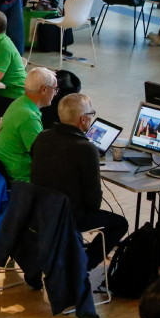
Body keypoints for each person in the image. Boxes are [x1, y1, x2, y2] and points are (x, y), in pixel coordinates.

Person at [30, 94, 129, 272]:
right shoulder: (86, 148)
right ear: (83, 120)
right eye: (91, 114)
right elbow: (93, 202)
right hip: (67, 217)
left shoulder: (42, 137)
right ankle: (84, 265)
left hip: (39, 211)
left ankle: (77, 260)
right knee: (120, 224)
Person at [0, 67, 58, 182]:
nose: (56, 93)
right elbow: (41, 156)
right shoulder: (29, 117)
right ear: (44, 89)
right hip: (17, 175)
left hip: (2, 165)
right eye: (55, 89)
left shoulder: (20, 102)